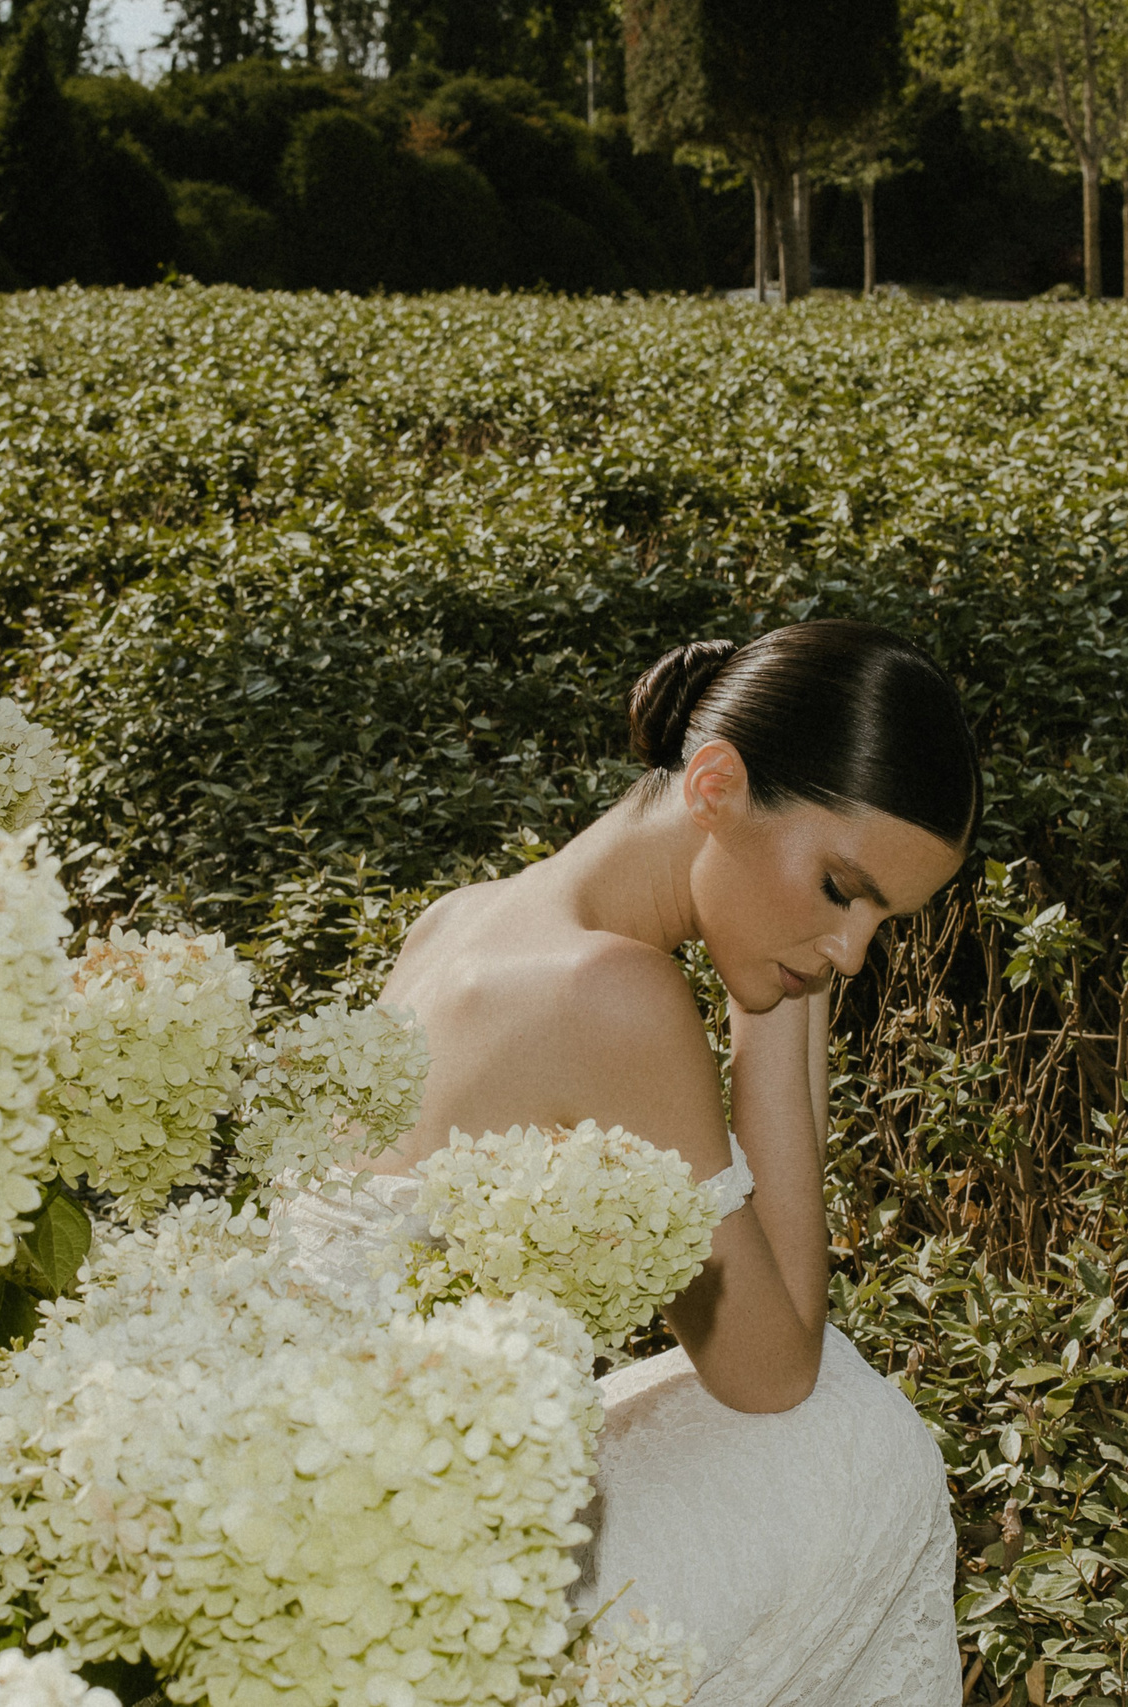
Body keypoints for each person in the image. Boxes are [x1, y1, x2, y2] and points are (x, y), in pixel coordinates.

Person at [273, 619, 975, 1706]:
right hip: (416, 1603)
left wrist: (779, 970)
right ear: (714, 785)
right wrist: (773, 1017)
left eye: (886, 920)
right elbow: (772, 1368)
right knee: (856, 1437)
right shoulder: (605, 995)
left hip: (309, 1513)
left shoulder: (457, 921)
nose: (848, 955)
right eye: (842, 888)